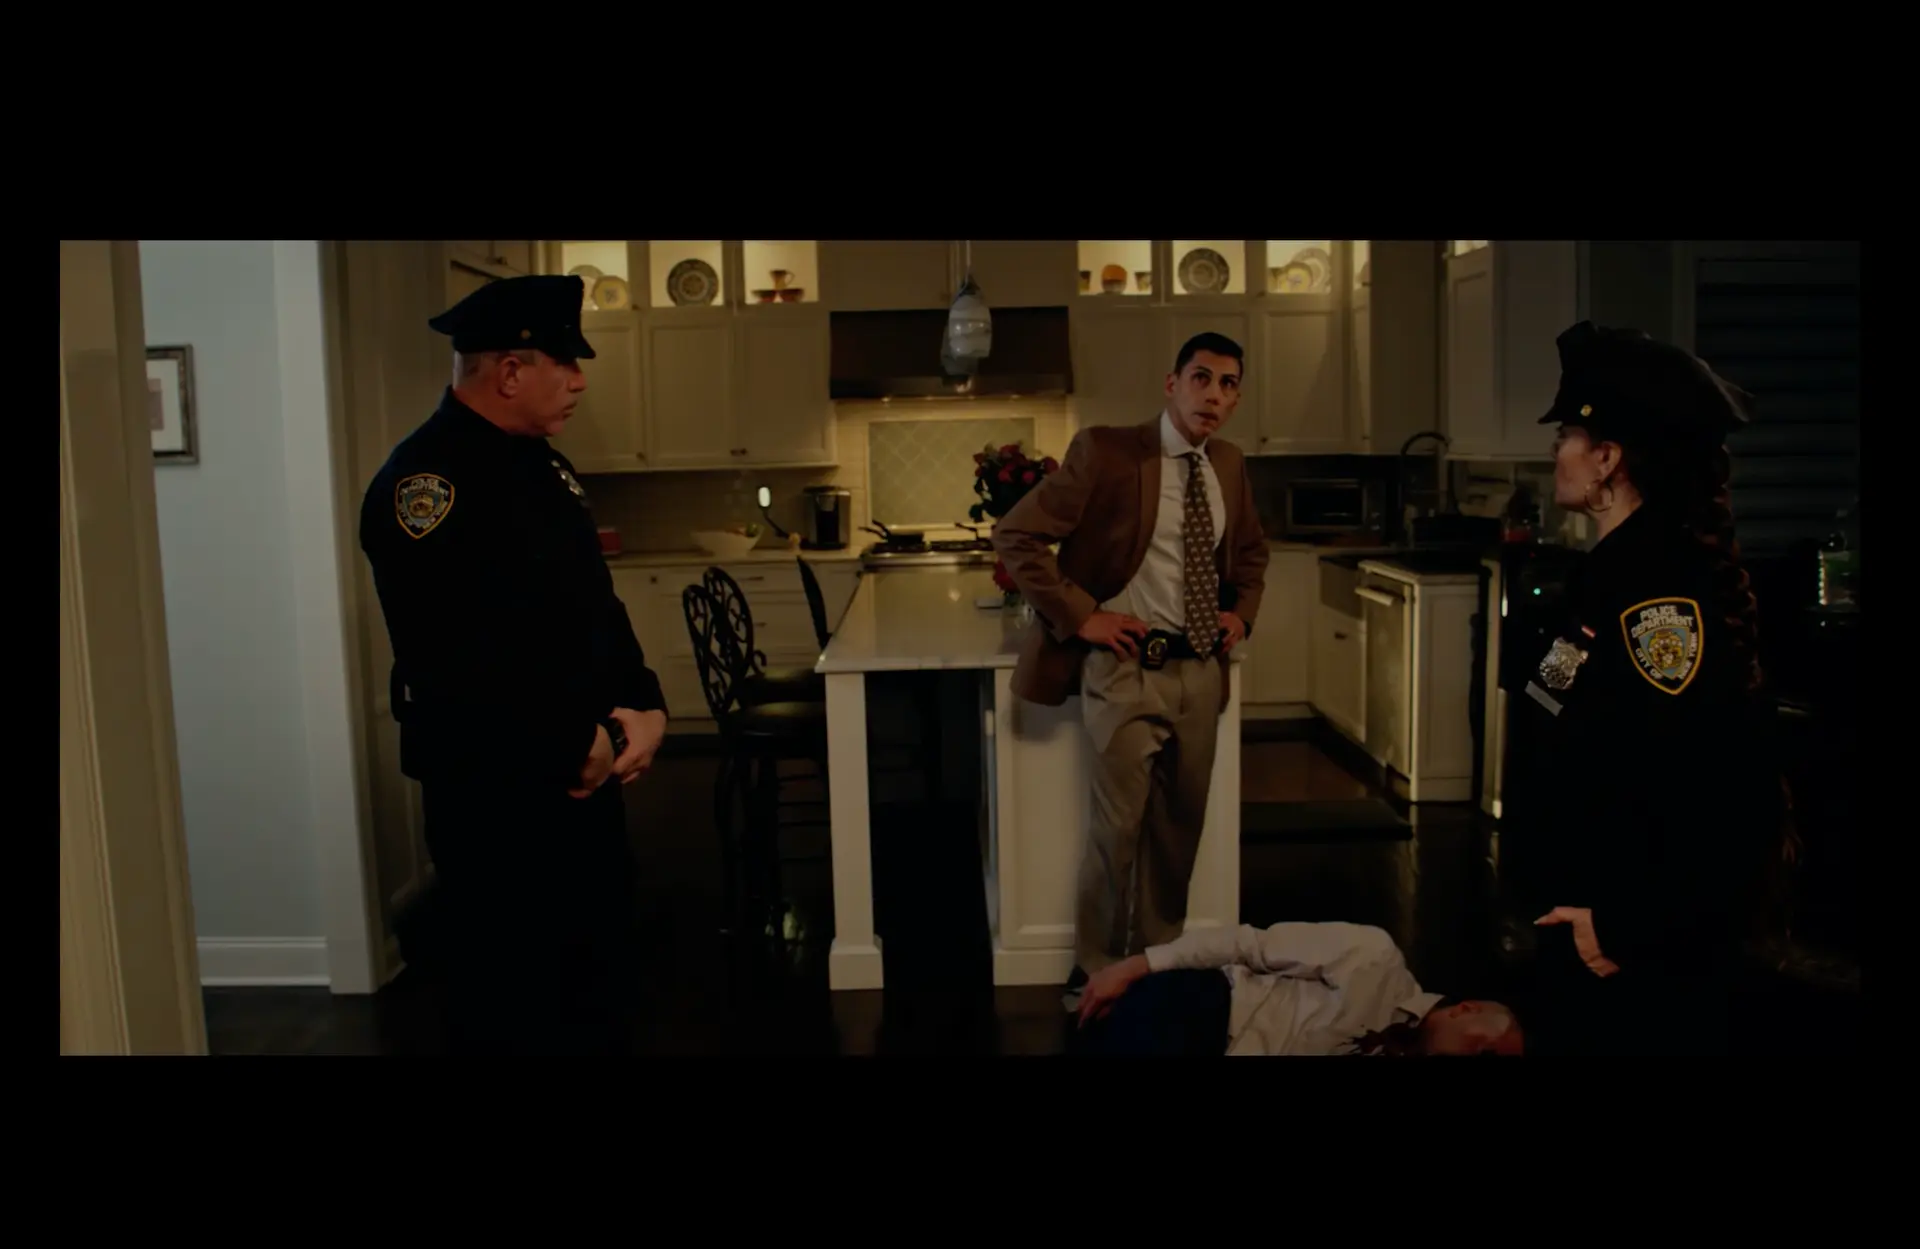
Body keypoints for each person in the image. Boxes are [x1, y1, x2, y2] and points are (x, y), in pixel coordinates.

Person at [359, 273, 669, 1055]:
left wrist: (644, 701)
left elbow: (594, 602)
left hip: (586, 770)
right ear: (508, 371)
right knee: (513, 996)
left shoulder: (541, 465)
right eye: (565, 362)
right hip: (499, 788)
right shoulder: (426, 484)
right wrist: (570, 740)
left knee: (596, 980)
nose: (580, 379)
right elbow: (452, 655)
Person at [1506, 320, 1788, 1056]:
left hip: (1624, 945)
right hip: (1579, 914)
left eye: (1566, 436)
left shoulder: (1658, 596)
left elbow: (1706, 782)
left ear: (1607, 459)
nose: (1555, 451)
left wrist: (1624, 926)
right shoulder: (1610, 572)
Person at [991, 332, 1270, 1012]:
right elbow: (1016, 535)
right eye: (1201, 377)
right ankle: (1093, 969)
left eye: (1228, 384)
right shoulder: (1109, 452)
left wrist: (1241, 613)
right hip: (1125, 671)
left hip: (1201, 670)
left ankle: (1156, 964)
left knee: (1179, 830)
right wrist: (1083, 616)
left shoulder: (1229, 463)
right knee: (1115, 832)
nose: (1214, 394)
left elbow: (1252, 555)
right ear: (1172, 383)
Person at [1073, 920, 1525, 1056]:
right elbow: (1247, 944)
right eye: (1484, 1053)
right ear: (1465, 1009)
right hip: (1210, 1009)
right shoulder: (1375, 959)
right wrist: (1136, 966)